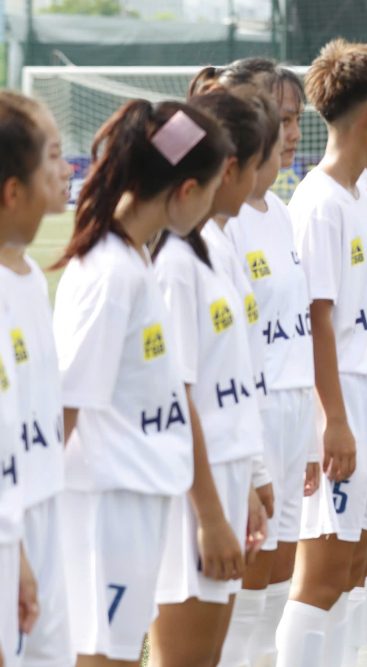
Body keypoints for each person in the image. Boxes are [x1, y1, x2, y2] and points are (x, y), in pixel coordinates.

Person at [52, 99, 231, 665]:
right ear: (185, 190)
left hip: (136, 500)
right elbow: (65, 410)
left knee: (119, 654)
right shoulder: (109, 272)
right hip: (106, 505)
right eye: (212, 187)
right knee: (102, 657)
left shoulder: (135, 262)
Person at [274, 40, 367, 666]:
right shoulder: (320, 202)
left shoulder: (363, 196)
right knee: (323, 571)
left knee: (360, 561)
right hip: (344, 397)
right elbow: (315, 323)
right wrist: (335, 419)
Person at [149, 89, 269, 667]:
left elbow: (228, 379)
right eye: (256, 161)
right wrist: (210, 516)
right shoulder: (173, 263)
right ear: (226, 169)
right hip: (190, 494)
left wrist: (245, 480)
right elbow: (178, 397)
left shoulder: (211, 247)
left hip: (223, 474)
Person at [204, 63, 319, 667]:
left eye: (297, 118)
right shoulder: (213, 223)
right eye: (280, 117)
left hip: (291, 415)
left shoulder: (279, 210)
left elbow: (296, 327)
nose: (291, 131)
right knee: (236, 592)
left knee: (277, 582)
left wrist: (311, 434)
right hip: (244, 422)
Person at [0, 90, 66, 667]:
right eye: (50, 155)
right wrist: (13, 547)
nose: (64, 169)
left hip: (45, 508)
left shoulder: (26, 278)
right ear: (12, 191)